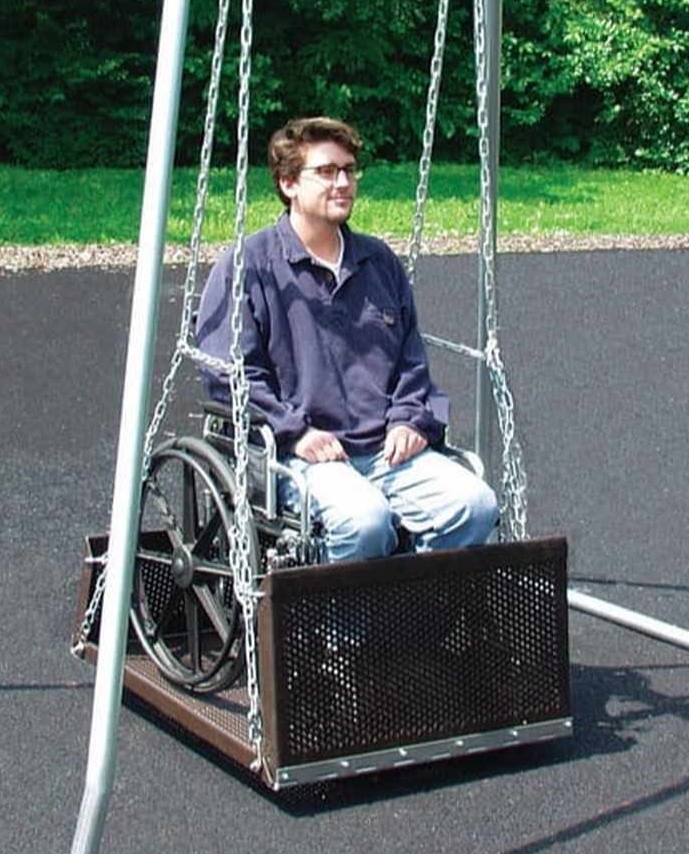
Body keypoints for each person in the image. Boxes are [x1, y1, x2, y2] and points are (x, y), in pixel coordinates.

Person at [195, 116, 498, 563]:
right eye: (326, 172)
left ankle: (413, 601)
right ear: (288, 183)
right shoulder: (249, 266)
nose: (342, 183)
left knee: (475, 506)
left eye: (349, 170)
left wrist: (409, 420)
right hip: (297, 455)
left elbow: (410, 361)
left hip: (384, 449)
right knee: (364, 520)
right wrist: (294, 432)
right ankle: (341, 611)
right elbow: (229, 375)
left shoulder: (378, 262)